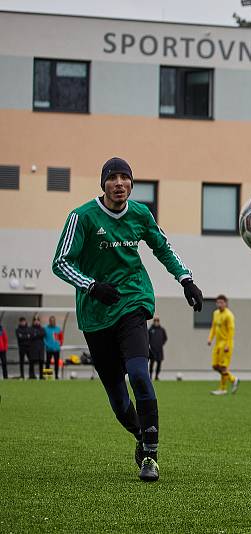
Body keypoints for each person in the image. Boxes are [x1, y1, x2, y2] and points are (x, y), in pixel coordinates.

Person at [52, 156, 203, 482]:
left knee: (138, 372)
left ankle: (151, 455)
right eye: (113, 178)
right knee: (119, 401)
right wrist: (91, 286)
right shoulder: (82, 217)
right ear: (103, 184)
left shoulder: (140, 214)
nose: (119, 183)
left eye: (125, 178)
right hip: (95, 314)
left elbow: (162, 246)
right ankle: (139, 435)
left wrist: (185, 279)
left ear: (131, 184)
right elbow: (60, 262)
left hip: (133, 302)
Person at [208, 295, 239, 395]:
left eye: (222, 302)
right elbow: (213, 327)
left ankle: (223, 389)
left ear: (226, 303)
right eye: (218, 302)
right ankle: (233, 379)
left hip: (226, 343)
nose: (219, 304)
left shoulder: (229, 315)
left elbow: (231, 332)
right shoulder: (215, 313)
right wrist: (210, 339)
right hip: (218, 344)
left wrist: (228, 345)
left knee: (223, 367)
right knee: (215, 366)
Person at [148, 316, 167, 381]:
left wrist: (161, 344)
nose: (156, 322)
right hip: (152, 350)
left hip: (159, 350)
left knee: (159, 363)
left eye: (157, 320)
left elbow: (165, 338)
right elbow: (147, 339)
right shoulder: (150, 330)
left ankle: (156, 376)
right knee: (152, 364)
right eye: (155, 320)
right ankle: (150, 376)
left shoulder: (162, 330)